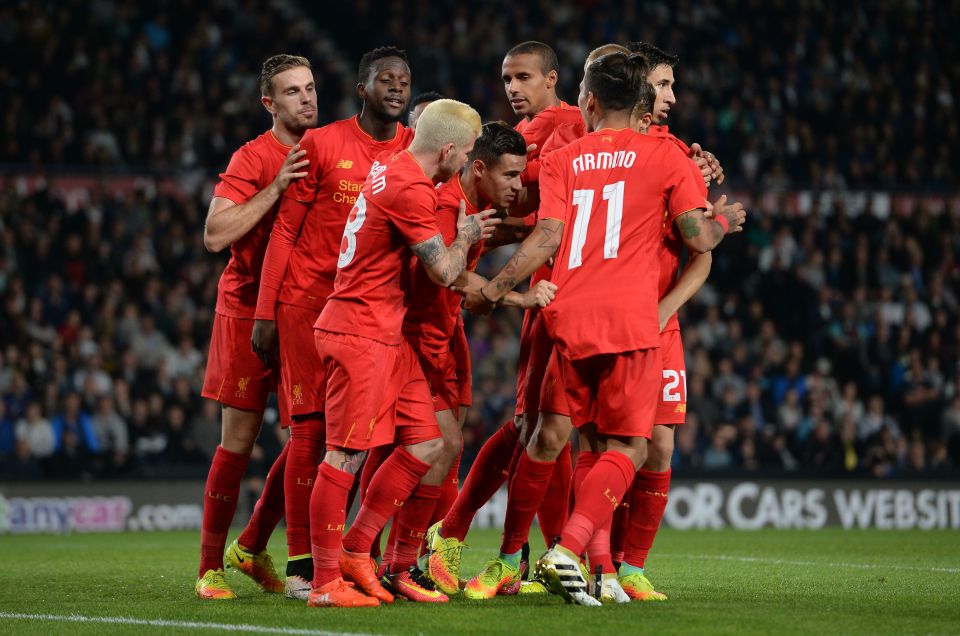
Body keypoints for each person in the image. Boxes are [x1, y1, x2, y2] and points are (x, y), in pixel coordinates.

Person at [463, 51, 745, 606]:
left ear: (588, 100)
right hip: (632, 322)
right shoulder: (666, 157)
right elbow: (699, 239)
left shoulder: (567, 158)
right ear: (642, 100)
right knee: (633, 447)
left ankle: (550, 562)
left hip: (567, 317)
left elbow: (544, 237)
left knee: (554, 439)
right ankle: (567, 551)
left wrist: (497, 291)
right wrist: (723, 220)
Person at [305, 99, 499, 608]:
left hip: (387, 335)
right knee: (344, 456)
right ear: (452, 149)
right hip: (359, 332)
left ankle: (355, 549)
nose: (466, 163)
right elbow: (443, 271)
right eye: (468, 152)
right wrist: (467, 234)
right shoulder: (410, 187)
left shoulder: (393, 169)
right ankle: (325, 582)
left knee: (427, 442)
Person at [251, 45, 414, 600]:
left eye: (404, 80)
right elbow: (284, 232)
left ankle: (340, 554)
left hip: (370, 313)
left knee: (360, 440)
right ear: (362, 89)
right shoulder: (322, 144)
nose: (395, 87)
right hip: (306, 304)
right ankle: (303, 564)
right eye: (384, 80)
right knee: (312, 432)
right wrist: (265, 311)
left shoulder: (413, 151)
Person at [370, 121, 555, 599]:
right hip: (411, 338)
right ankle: (392, 558)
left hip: (442, 337)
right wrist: (517, 297)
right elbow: (447, 278)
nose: (518, 186)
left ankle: (395, 556)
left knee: (437, 446)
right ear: (478, 168)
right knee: (437, 443)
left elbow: (503, 234)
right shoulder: (449, 204)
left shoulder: (476, 206)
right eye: (511, 175)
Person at [426, 42, 584, 593]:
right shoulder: (539, 132)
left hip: (565, 282)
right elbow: (525, 209)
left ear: (554, 79)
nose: (513, 87)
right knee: (536, 424)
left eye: (523, 77)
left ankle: (538, 555)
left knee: (550, 427)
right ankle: (453, 535)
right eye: (506, 77)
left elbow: (529, 204)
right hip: (552, 285)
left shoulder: (563, 125)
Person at [195, 54, 315, 601]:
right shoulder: (253, 157)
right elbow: (215, 235)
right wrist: (276, 189)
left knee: (312, 436)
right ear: (269, 103)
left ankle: (253, 543)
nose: (306, 99)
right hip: (246, 311)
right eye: (292, 91)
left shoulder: (331, 150)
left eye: (310, 88)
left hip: (305, 313)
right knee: (238, 442)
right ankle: (209, 568)